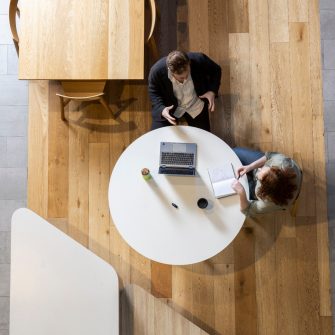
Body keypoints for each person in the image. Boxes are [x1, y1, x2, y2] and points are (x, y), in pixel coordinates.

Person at [148, 50, 221, 131]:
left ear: (189, 63)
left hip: (195, 105)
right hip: (169, 107)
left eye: (187, 74)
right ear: (171, 71)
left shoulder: (200, 59)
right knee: (158, 137)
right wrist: (161, 109)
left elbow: (216, 70)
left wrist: (212, 91)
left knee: (203, 138)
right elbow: (153, 91)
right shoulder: (156, 71)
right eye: (181, 78)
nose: (185, 79)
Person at [231, 147, 302, 216]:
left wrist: (241, 192)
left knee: (234, 194)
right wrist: (250, 167)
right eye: (265, 167)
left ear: (264, 191)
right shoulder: (280, 162)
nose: (258, 170)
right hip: (274, 178)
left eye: (259, 178)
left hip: (264, 192)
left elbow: (247, 210)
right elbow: (269, 156)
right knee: (235, 151)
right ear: (275, 169)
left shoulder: (269, 202)